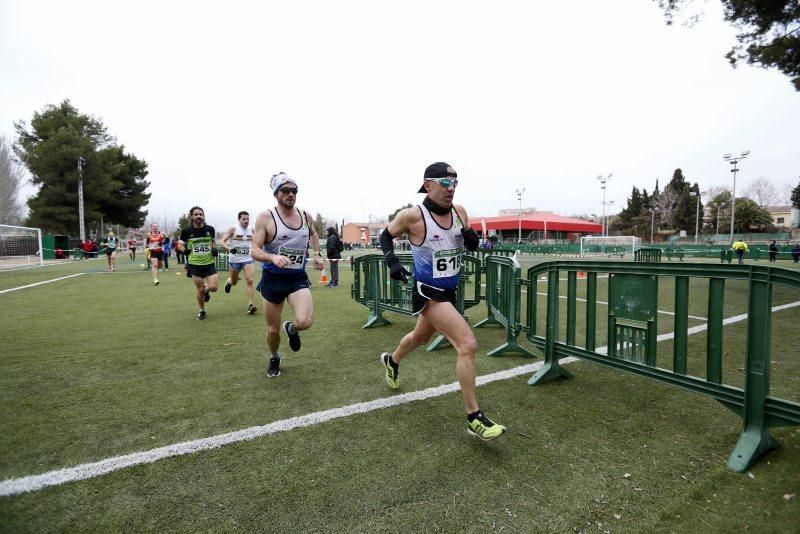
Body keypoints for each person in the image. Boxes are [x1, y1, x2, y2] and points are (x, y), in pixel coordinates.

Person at [378, 162, 506, 441]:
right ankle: (474, 417)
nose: (452, 189)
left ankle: (392, 360)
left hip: (449, 292)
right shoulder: (413, 216)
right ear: (428, 185)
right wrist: (391, 262)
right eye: (446, 183)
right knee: (467, 344)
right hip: (426, 291)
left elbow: (469, 244)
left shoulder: (460, 212)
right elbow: (385, 236)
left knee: (420, 337)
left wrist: (473, 238)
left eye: (455, 183)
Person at [251, 172, 324, 377]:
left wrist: (317, 255)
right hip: (273, 278)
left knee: (305, 322)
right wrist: (272, 258)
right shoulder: (266, 217)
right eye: (285, 190)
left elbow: (314, 235)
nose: (290, 194)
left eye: (294, 190)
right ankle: (274, 357)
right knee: (273, 329)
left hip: (296, 278)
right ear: (276, 193)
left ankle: (291, 328)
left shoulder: (305, 216)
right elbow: (254, 250)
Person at [178, 206, 219, 320]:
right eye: (196, 214)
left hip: (209, 263)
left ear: (203, 216)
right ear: (191, 217)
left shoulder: (210, 229)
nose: (199, 216)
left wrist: (214, 249)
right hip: (194, 265)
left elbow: (213, 241)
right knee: (199, 290)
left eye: (201, 214)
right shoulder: (186, 231)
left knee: (214, 287)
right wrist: (184, 250)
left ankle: (207, 289)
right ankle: (202, 310)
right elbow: (180, 245)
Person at [221, 211, 258, 314]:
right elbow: (222, 242)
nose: (246, 221)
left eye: (247, 219)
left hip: (247, 259)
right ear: (239, 220)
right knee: (234, 282)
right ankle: (229, 282)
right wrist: (229, 249)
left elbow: (256, 243)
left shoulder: (252, 230)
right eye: (244, 219)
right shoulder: (233, 229)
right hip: (235, 260)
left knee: (250, 280)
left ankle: (250, 305)